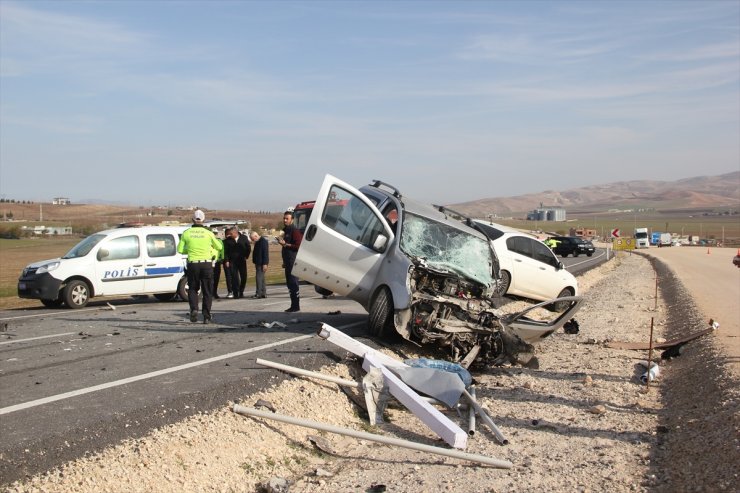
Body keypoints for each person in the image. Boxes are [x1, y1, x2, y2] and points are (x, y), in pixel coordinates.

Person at [177, 209, 222, 324]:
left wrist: (190, 249)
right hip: (206, 264)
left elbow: (180, 250)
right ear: (203, 220)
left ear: (193, 219)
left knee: (193, 288)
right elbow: (219, 247)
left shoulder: (186, 233)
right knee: (207, 290)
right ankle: (206, 315)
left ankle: (194, 309)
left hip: (193, 264)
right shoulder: (209, 233)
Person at [277, 210, 303, 312]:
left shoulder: (294, 231)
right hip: (287, 261)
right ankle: (293, 305)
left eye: (287, 219)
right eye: (284, 218)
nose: (285, 220)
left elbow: (298, 246)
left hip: (293, 261)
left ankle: (296, 306)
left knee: (293, 283)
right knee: (289, 284)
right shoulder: (285, 231)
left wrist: (286, 244)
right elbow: (285, 248)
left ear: (292, 220)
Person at [223, 226, 251, 298]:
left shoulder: (243, 238)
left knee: (244, 276)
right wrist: (227, 260)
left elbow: (248, 247)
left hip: (241, 260)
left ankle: (241, 291)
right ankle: (236, 293)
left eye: (231, 234)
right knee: (234, 278)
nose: (230, 235)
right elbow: (225, 252)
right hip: (232, 261)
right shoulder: (228, 240)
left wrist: (246, 256)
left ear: (235, 233)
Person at [250, 231, 269, 298]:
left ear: (255, 236)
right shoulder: (258, 242)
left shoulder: (263, 241)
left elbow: (265, 253)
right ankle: (263, 293)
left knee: (258, 278)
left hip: (261, 263)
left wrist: (265, 263)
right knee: (262, 278)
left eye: (252, 239)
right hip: (258, 262)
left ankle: (258, 293)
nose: (252, 240)